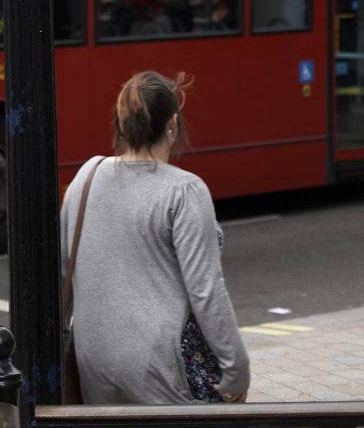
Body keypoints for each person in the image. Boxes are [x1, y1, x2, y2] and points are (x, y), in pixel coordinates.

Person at [61, 70, 249, 405]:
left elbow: (65, 270)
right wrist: (236, 368)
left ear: (120, 125)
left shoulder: (86, 175)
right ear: (172, 125)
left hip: (94, 359)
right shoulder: (185, 190)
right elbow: (205, 290)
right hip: (159, 366)